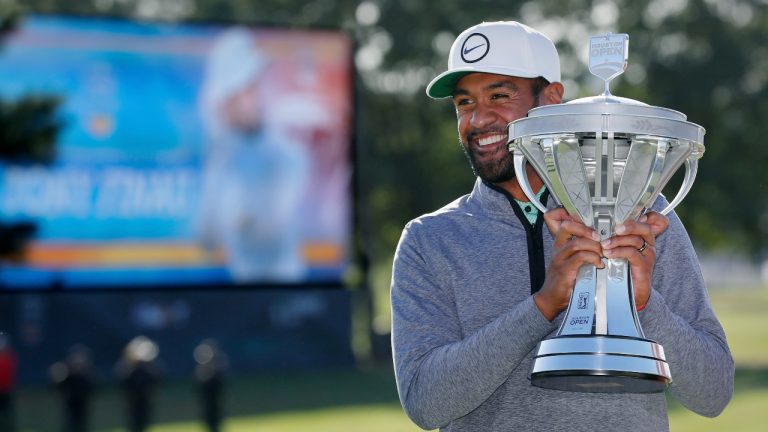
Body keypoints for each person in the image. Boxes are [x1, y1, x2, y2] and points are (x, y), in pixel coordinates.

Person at [390, 21, 734, 431]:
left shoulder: (640, 211)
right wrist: (543, 305)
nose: (478, 119)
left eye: (499, 95)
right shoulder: (429, 240)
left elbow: (713, 393)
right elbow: (425, 403)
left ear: (552, 100)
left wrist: (645, 305)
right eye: (464, 103)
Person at [197, 28, 310, 283]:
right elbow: (206, 236)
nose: (244, 101)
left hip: (286, 289)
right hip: (240, 287)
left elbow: (270, 227)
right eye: (232, 96)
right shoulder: (222, 158)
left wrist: (236, 216)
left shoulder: (286, 154)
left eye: (249, 90)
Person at [49, 344, 95, 432]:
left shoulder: (86, 374)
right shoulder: (67, 374)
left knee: (82, 424)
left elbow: (91, 387)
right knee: (70, 424)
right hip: (70, 403)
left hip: (82, 403)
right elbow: (57, 386)